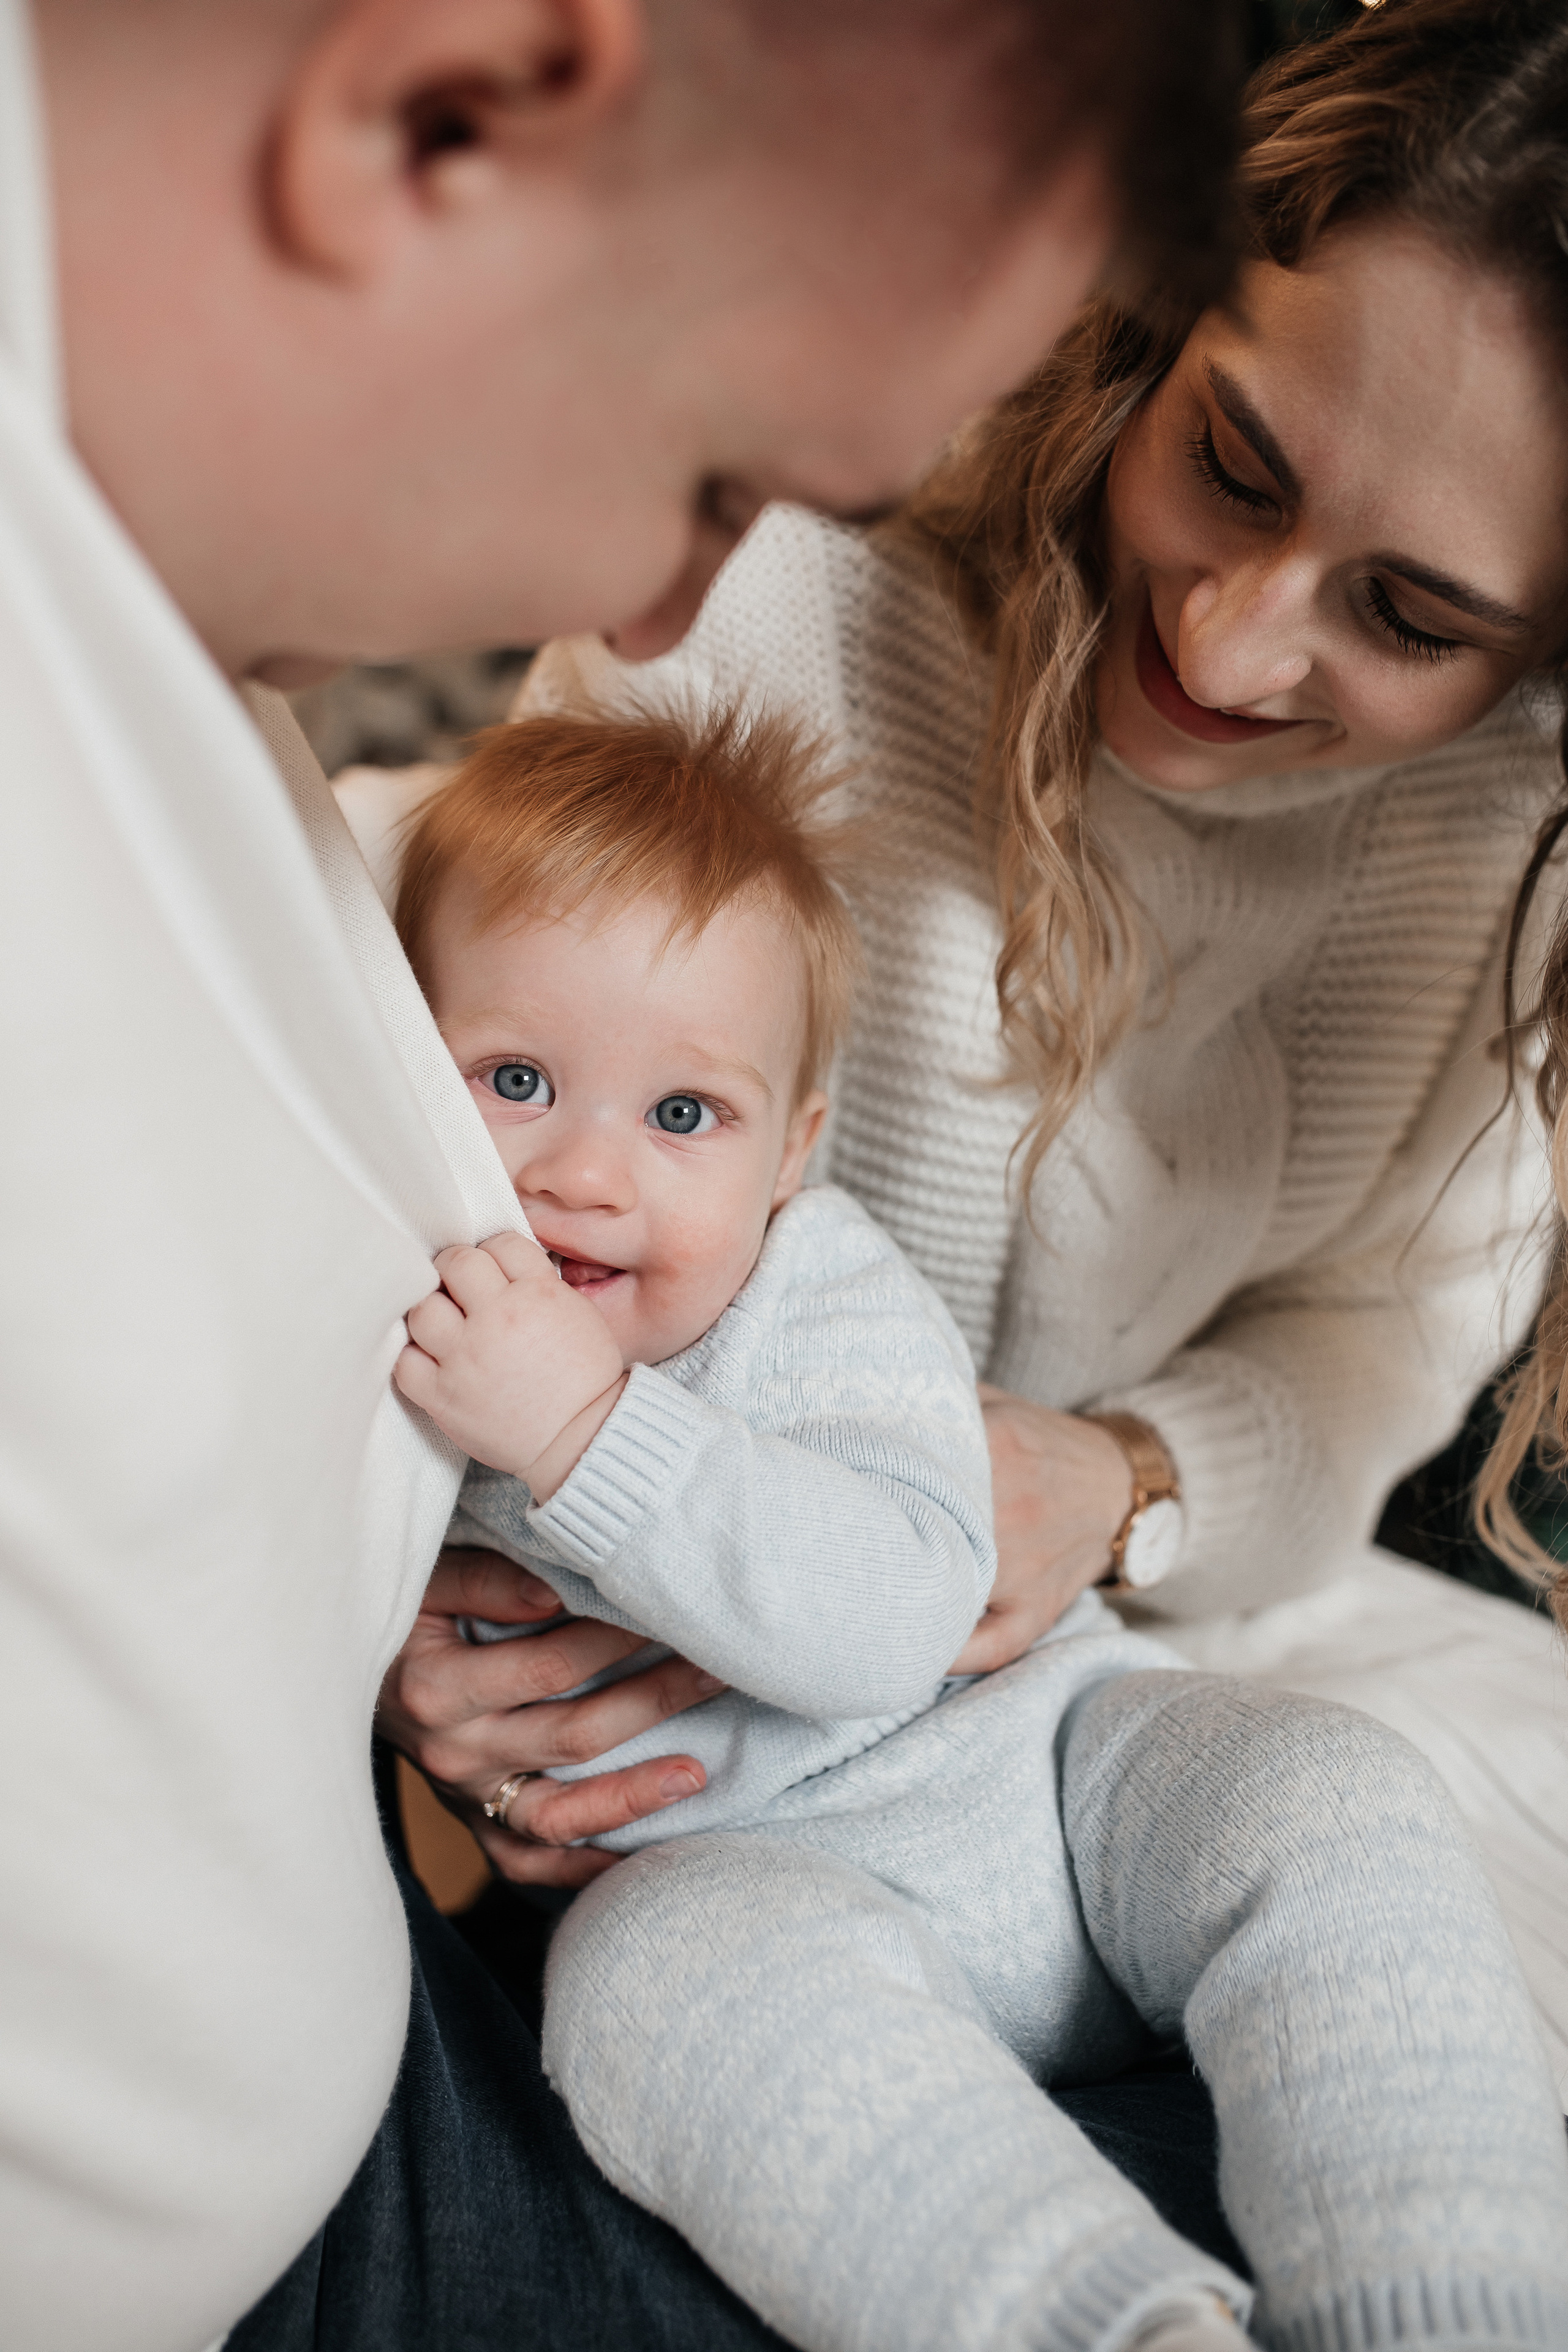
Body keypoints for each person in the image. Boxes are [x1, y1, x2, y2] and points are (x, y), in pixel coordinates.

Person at [0, 1, 1250, 2346]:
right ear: (451, 109)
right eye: (715, 478)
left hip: (437, 2018)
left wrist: (395, 1646)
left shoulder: (174, 653)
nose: (663, 620)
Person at [379, 0, 1568, 2100]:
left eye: (1411, 618)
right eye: (1233, 461)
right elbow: (447, 1153)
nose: (1226, 639)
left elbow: (1369, 1352)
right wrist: (415, 1621)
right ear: (1163, 305)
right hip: (689, 1723)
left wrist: (1117, 1485)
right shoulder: (771, 595)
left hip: (1130, 1675)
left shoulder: (1507, 867)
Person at [380, 704, 1568, 2350]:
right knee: (642, 1996)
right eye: (516, 1083)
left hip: (1052, 1775)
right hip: (745, 1877)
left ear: (795, 1149)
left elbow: (887, 1626)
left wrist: (587, 1432)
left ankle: (1453, 2293)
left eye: (683, 1117)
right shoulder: (405, 1315)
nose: (589, 1173)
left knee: (1326, 1789)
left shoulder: (820, 1289)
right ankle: (1113, 2327)